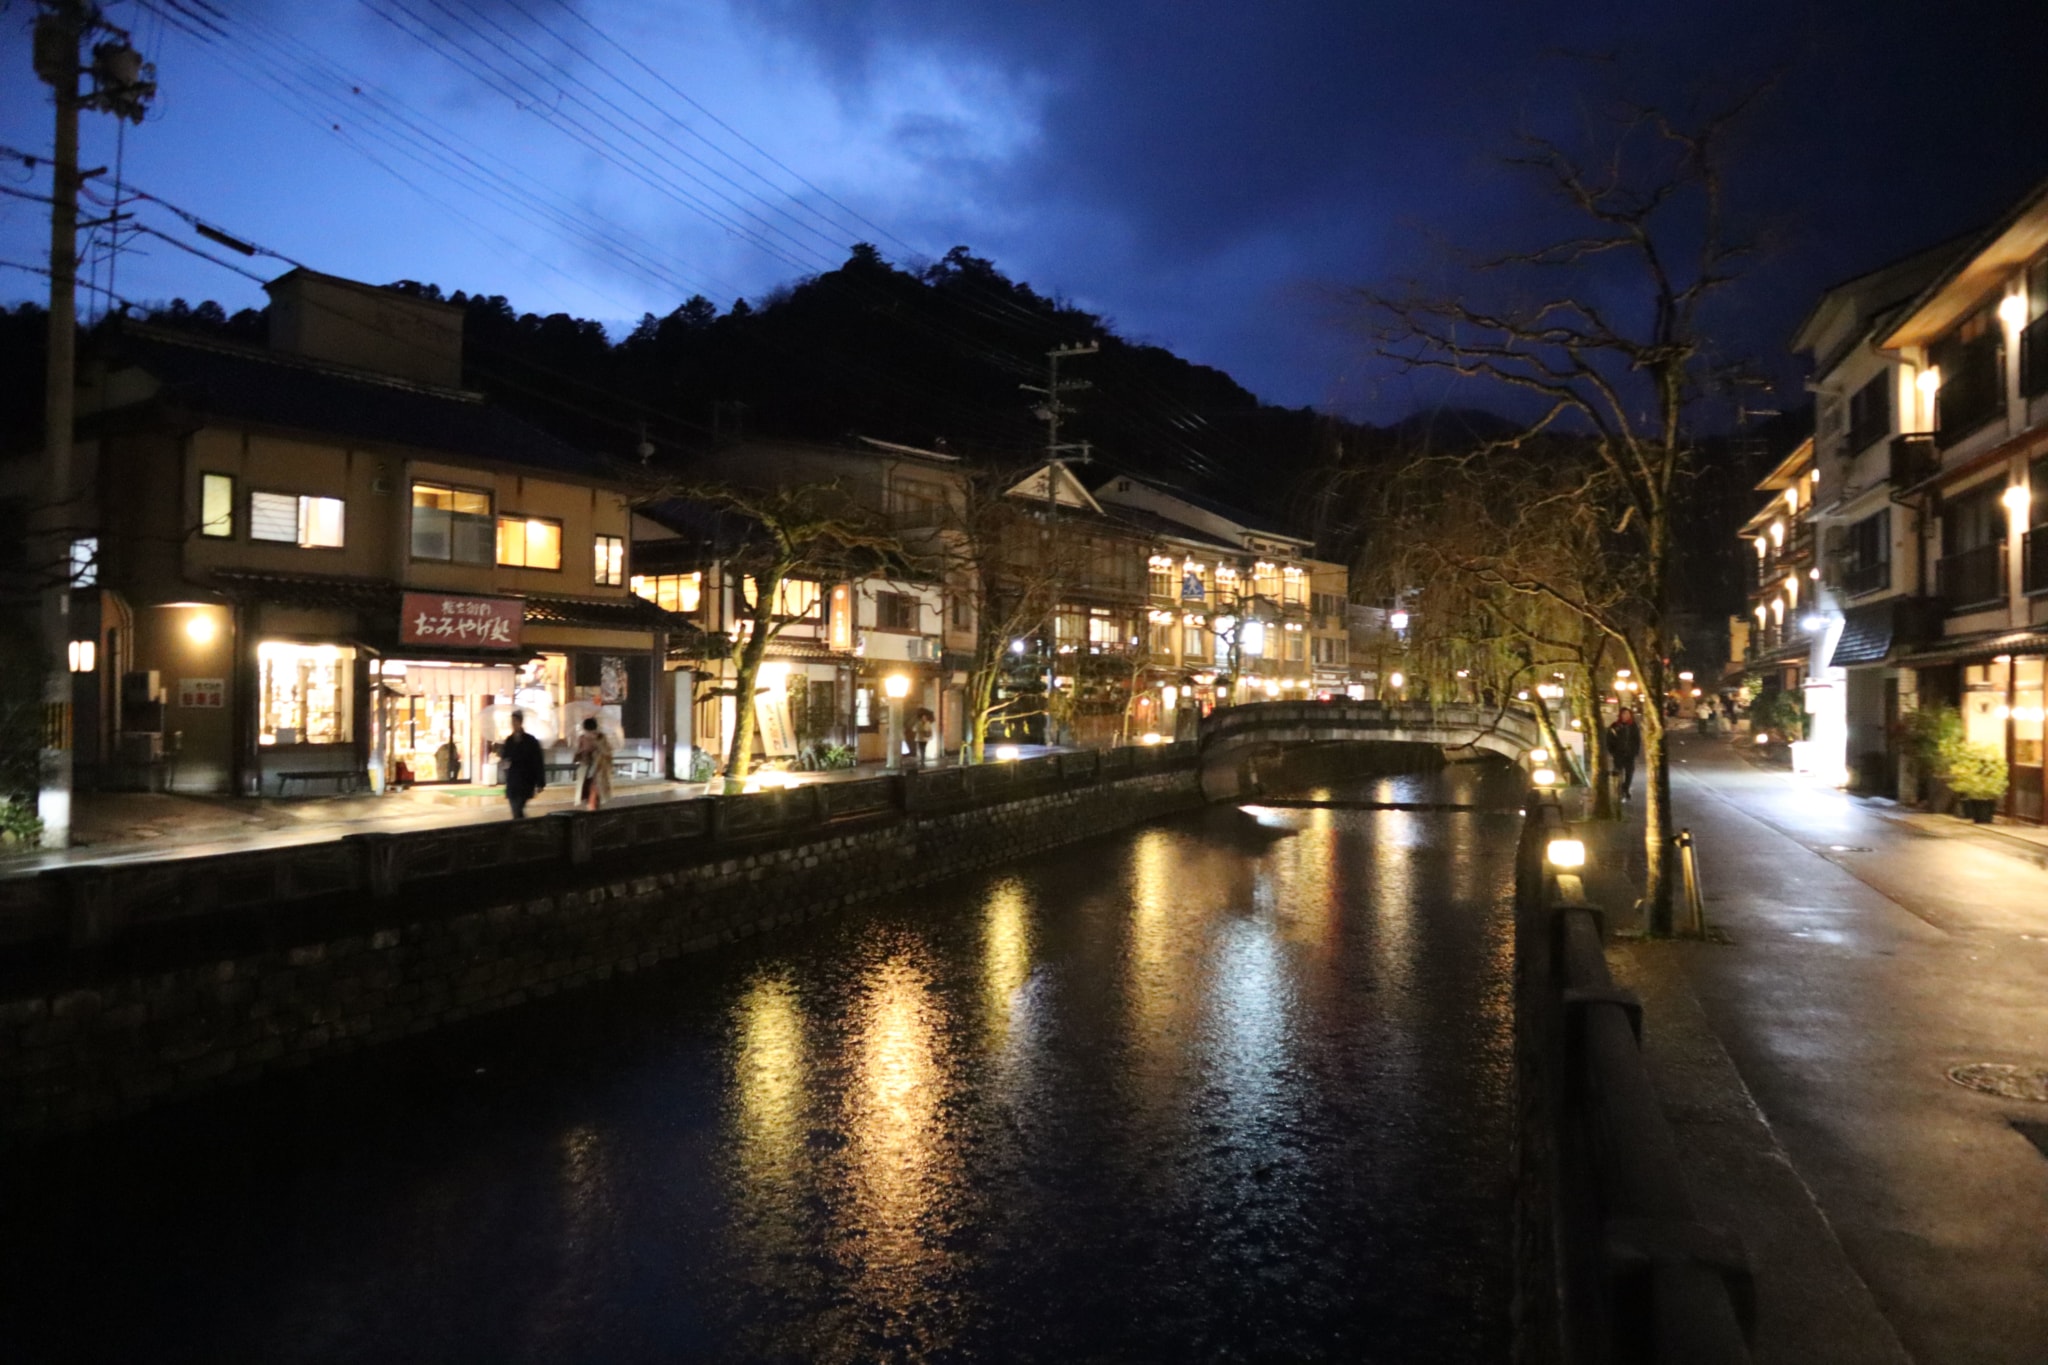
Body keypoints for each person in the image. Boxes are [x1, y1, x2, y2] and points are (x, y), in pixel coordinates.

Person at [499, 710, 545, 818]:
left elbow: (537, 761)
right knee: (516, 809)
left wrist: (540, 782)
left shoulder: (530, 741)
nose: (513, 724)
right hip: (512, 780)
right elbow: (505, 758)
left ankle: (521, 828)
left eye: (515, 721)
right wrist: (504, 762)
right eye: (512, 721)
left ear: (520, 722)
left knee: (517, 808)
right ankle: (523, 827)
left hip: (526, 780)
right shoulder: (509, 740)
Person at [573, 716, 614, 810]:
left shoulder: (600, 738)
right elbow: (578, 754)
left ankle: (593, 808)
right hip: (586, 767)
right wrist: (582, 752)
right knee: (586, 790)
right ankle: (591, 807)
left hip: (598, 767)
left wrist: (596, 746)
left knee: (595, 790)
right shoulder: (582, 738)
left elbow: (607, 753)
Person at [1608, 706, 1643, 802]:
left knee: (1629, 773)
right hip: (1618, 754)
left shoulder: (1633, 726)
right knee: (1618, 772)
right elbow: (1609, 739)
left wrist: (1635, 751)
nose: (1625, 716)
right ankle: (1618, 790)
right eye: (1623, 714)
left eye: (1627, 714)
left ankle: (1625, 788)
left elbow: (1637, 740)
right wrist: (1613, 751)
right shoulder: (1615, 726)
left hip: (1629, 754)